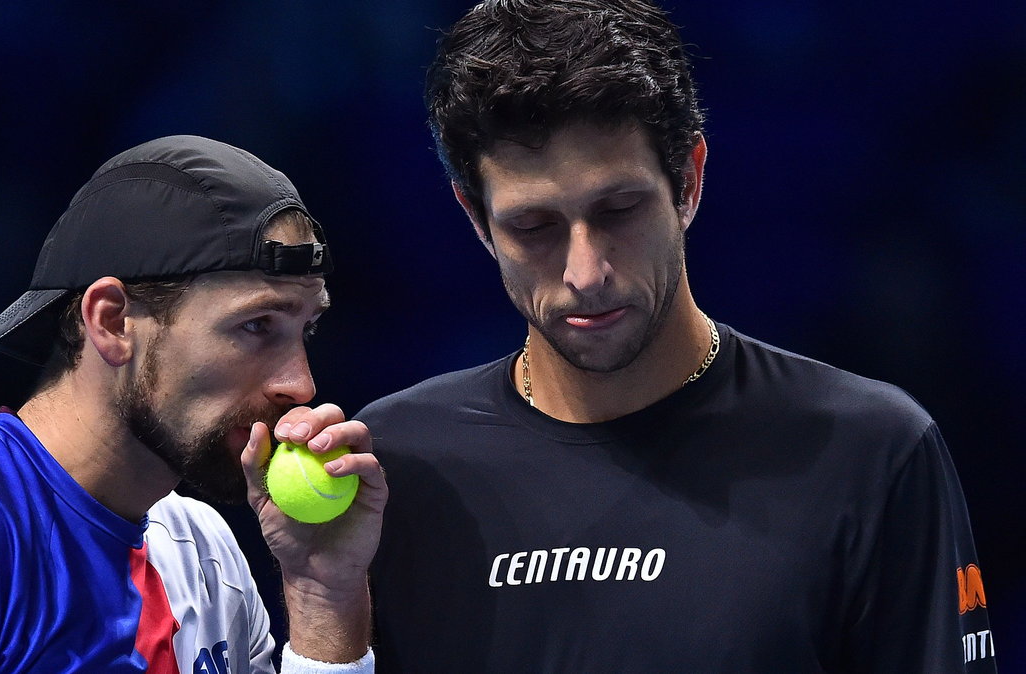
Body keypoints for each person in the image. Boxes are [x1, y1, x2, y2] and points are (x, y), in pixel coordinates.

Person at [355, 1, 997, 672]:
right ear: (476, 219)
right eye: (534, 227)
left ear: (688, 182)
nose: (586, 273)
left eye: (619, 210)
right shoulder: (397, 465)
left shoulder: (872, 451)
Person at [0, 135, 386, 673]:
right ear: (112, 322)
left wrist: (320, 596)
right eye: (258, 325)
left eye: (304, 331)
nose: (301, 385)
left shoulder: (204, 552)